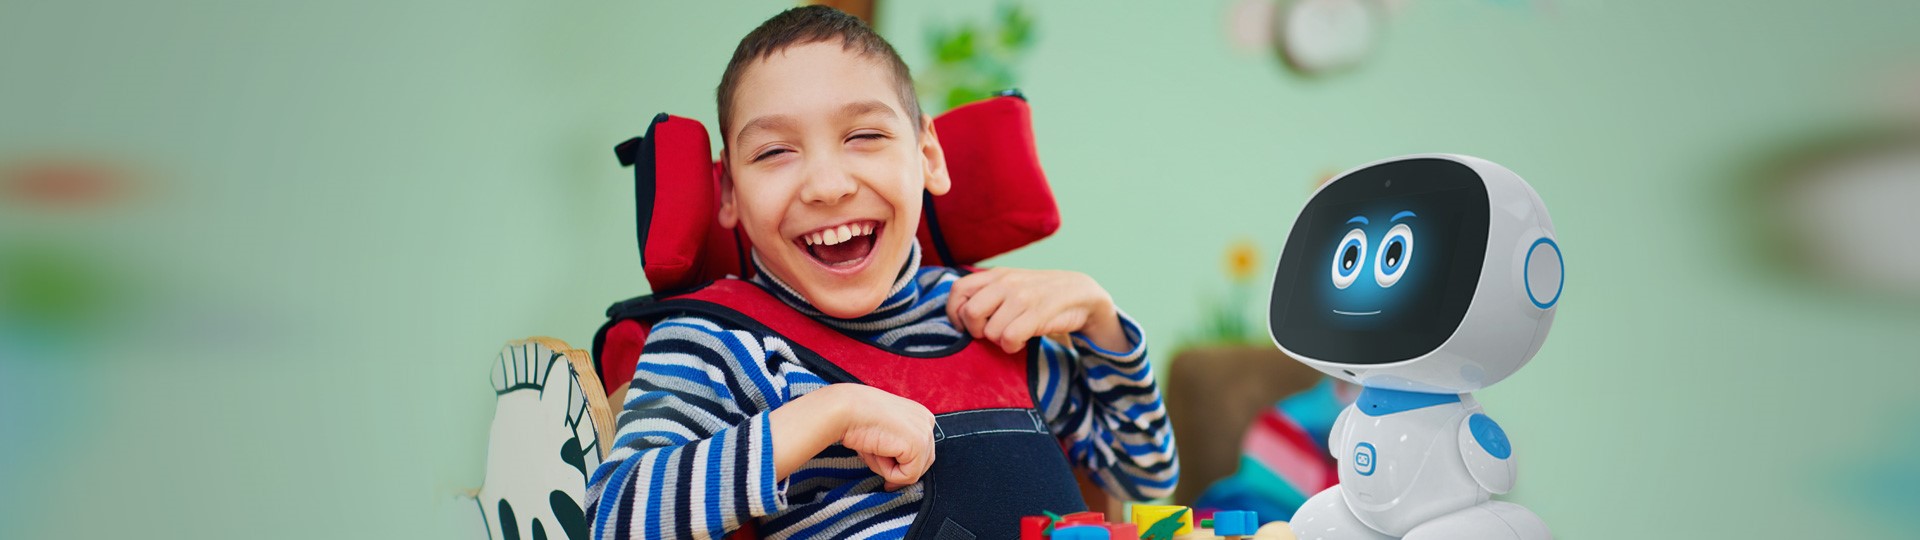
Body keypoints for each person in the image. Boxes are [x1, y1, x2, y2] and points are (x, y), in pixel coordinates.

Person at [586, 6, 1177, 539]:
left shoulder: (992, 318)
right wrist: (827, 414)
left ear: (928, 157)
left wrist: (1102, 321)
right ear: (729, 193)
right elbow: (613, 516)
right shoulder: (719, 342)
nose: (827, 185)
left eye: (864, 136)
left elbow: (1146, 477)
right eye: (774, 152)